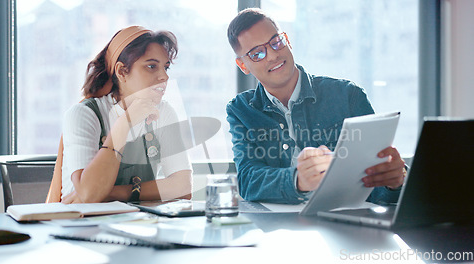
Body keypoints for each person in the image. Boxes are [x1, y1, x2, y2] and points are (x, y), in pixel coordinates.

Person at [226, 8, 406, 204]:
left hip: (343, 220)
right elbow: (248, 180)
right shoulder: (241, 109)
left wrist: (394, 182)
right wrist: (297, 181)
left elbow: (378, 185)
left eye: (276, 42)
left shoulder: (349, 95)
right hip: (277, 227)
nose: (272, 56)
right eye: (257, 53)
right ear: (243, 66)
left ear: (287, 40)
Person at [58, 26, 192, 204]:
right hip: (80, 226)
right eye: (151, 66)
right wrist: (124, 124)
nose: (164, 77)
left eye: (166, 67)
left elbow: (183, 188)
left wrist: (111, 193)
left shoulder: (164, 112)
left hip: (137, 224)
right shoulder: (84, 114)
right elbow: (90, 195)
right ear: (121, 71)